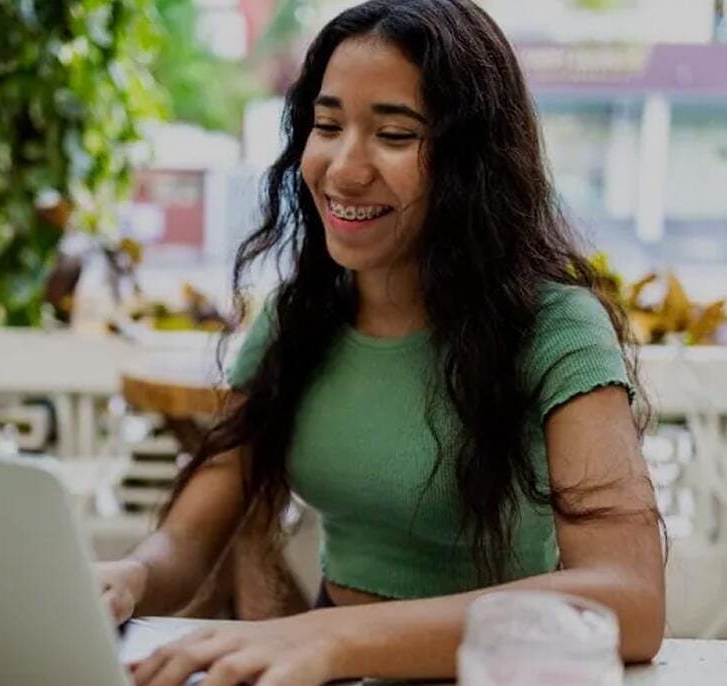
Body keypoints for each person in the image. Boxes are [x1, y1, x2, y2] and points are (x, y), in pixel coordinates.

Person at [97, 1, 666, 683]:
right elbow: (186, 545)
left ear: (472, 163)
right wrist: (129, 576)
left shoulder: (556, 328)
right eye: (327, 125)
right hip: (331, 659)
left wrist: (339, 638)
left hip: (485, 670)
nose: (343, 168)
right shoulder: (296, 320)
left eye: (394, 134)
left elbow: (632, 600)